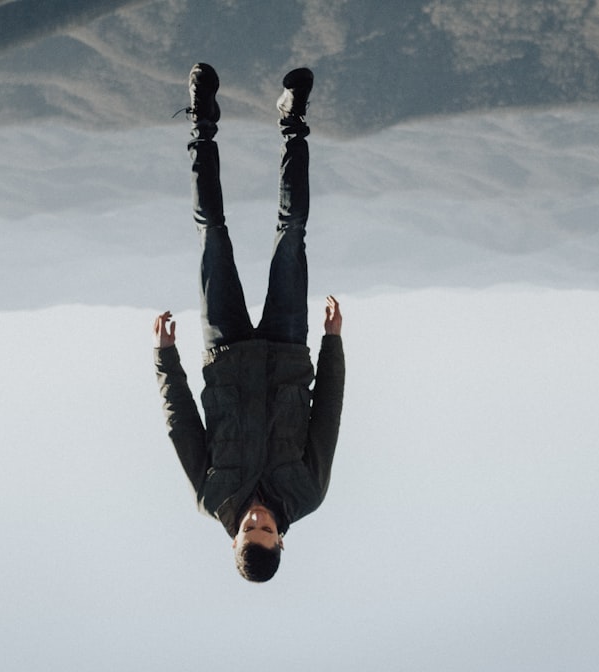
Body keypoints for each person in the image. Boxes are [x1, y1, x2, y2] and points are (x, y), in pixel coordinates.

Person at [153, 63, 345, 583]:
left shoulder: (210, 495)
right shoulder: (308, 493)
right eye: (266, 530)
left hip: (225, 352)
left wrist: (164, 357)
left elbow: (182, 423)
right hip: (286, 349)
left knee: (211, 233)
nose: (257, 520)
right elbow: (327, 415)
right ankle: (292, 122)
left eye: (248, 530)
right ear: (282, 540)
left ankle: (201, 123)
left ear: (236, 539)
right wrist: (333, 343)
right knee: (293, 231)